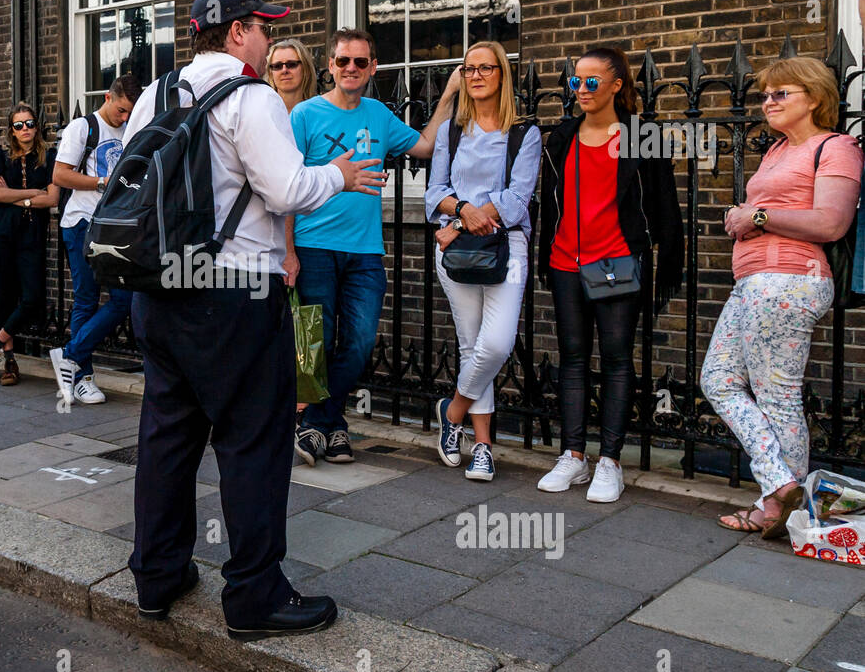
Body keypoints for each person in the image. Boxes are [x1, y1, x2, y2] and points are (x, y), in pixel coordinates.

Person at [125, 0, 387, 641]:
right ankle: (254, 597)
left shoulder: (158, 94)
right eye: (262, 29)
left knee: (166, 437)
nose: (269, 41)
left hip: (159, 289)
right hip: (234, 292)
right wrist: (342, 176)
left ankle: (157, 576)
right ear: (237, 32)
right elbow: (288, 187)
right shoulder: (251, 98)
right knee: (252, 443)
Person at [704, 58, 863, 537]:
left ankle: (779, 507)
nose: (768, 103)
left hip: (790, 281)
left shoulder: (836, 147)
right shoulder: (775, 150)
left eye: (780, 94)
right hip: (754, 282)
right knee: (718, 379)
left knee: (778, 398)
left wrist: (755, 217)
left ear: (814, 98)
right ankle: (781, 486)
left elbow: (831, 222)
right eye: (765, 95)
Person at [287, 27, 442, 468]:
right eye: (342, 61)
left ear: (373, 67)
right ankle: (334, 430)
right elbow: (287, 189)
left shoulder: (378, 115)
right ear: (330, 66)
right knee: (319, 341)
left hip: (364, 252)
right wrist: (288, 252)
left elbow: (425, 146)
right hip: (313, 246)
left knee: (358, 341)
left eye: (360, 62)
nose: (351, 69)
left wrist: (450, 92)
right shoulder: (304, 115)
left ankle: (316, 422)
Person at [535, 47, 684, 503]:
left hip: (617, 261)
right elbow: (549, 202)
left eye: (592, 81)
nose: (581, 89)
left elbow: (664, 205)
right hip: (566, 261)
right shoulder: (561, 136)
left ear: (617, 85)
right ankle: (574, 455)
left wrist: (661, 258)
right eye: (576, 81)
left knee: (618, 358)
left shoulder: (642, 136)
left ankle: (611, 461)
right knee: (573, 357)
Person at [425, 41, 541, 481]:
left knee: (495, 345)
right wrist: (461, 213)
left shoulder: (522, 133)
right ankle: (484, 446)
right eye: (469, 69)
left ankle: (451, 413)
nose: (475, 76)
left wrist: (465, 217)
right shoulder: (453, 132)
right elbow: (434, 192)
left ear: (501, 75)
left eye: (485, 69)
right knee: (472, 346)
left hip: (505, 248)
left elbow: (517, 198)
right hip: (456, 255)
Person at [48, 74, 143, 406]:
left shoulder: (131, 130)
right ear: (107, 97)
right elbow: (60, 175)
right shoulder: (82, 128)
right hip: (82, 223)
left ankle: (70, 356)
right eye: (120, 110)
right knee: (87, 299)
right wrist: (102, 181)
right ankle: (83, 378)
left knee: (124, 300)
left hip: (115, 227)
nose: (125, 117)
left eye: (130, 112)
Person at [0, 103, 59, 386]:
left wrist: (17, 197)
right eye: (19, 125)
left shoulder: (49, 156)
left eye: (30, 123)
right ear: (12, 130)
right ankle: (9, 363)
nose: (25, 129)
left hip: (32, 234)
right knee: (4, 296)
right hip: (1, 233)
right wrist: (31, 194)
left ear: (37, 126)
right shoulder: (0, 157)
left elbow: (52, 198)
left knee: (33, 298)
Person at [266, 38, 317, 114]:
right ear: (271, 73)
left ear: (305, 69)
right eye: (277, 66)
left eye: (291, 64)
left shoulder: (319, 112)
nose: (284, 70)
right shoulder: (262, 112)